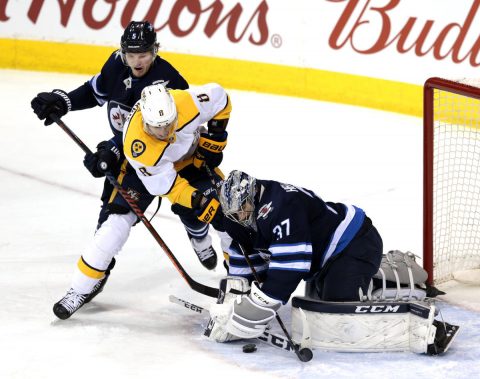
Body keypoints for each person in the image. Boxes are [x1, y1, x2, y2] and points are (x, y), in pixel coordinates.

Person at [30, 21, 205, 320]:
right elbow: (93, 90)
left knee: (193, 205)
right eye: (131, 54)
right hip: (128, 160)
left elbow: (157, 138)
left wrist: (111, 149)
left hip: (162, 160)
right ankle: (88, 282)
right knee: (111, 222)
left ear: (155, 51)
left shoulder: (170, 84)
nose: (138, 61)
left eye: (144, 54)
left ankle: (197, 232)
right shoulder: (115, 64)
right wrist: (64, 101)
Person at [207, 170, 383, 341]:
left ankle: (378, 280)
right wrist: (235, 300)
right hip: (322, 256)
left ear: (252, 193)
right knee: (323, 305)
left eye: (243, 208)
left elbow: (291, 266)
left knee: (339, 320)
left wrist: (256, 309)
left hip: (355, 242)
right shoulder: (237, 216)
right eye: (234, 213)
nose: (241, 216)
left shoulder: (282, 205)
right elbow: (246, 254)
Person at [122, 82, 232, 266]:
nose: (165, 131)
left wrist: (213, 142)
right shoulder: (138, 149)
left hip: (196, 154)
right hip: (171, 170)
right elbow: (170, 186)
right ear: (145, 121)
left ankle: (236, 269)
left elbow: (221, 99)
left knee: (228, 211)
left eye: (169, 123)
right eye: (158, 127)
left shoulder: (185, 102)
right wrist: (198, 200)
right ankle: (199, 241)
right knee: (195, 214)